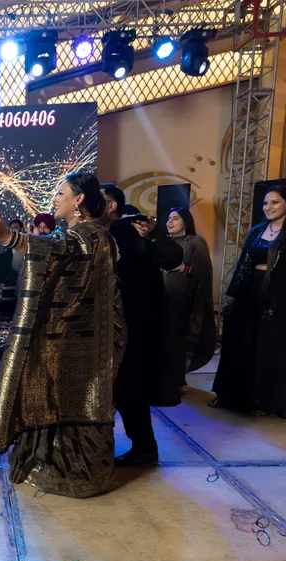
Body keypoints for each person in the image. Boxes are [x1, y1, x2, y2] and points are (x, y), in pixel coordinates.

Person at [0, 173, 125, 498]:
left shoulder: (90, 235)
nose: (55, 199)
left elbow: (56, 250)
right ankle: (48, 462)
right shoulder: (82, 234)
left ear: (79, 199)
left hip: (83, 341)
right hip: (71, 337)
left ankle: (77, 472)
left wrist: (8, 236)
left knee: (74, 399)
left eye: (61, 193)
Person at [101, 184, 183, 467]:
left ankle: (144, 448)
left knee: (129, 387)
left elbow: (172, 258)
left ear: (112, 205)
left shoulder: (131, 228)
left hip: (135, 323)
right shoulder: (98, 231)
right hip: (109, 321)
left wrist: (154, 234)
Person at [210, 185, 286, 417]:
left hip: (278, 296)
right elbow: (243, 264)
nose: (268, 207)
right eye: (265, 203)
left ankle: (263, 401)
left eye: (275, 202)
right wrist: (233, 296)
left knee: (267, 347)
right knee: (238, 342)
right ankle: (229, 394)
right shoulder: (257, 230)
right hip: (250, 292)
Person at [163, 208, 216, 393]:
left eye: (175, 218)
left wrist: (182, 268)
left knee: (176, 339)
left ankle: (178, 381)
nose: (170, 222)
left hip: (182, 299)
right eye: (168, 219)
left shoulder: (195, 241)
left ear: (186, 221)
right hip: (162, 297)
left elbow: (203, 269)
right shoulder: (163, 242)